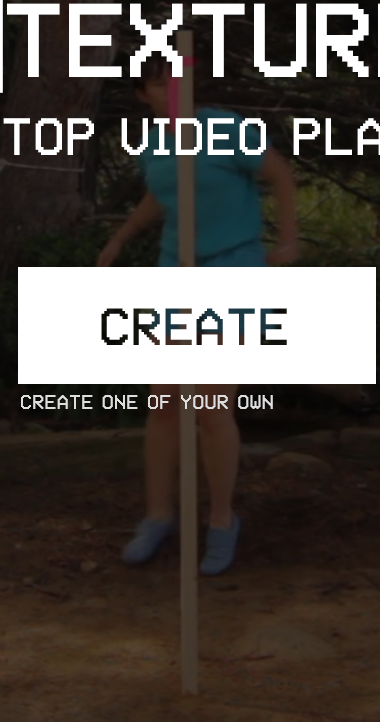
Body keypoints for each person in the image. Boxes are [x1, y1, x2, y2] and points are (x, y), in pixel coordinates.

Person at [96, 54, 299, 576]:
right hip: (175, 271)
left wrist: (288, 241)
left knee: (210, 403)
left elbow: (279, 174)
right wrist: (121, 237)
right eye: (159, 82)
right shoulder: (153, 145)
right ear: (143, 94)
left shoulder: (225, 128)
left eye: (178, 79)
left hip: (232, 267)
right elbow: (160, 196)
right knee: (163, 399)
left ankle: (222, 520)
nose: (172, 88)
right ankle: (158, 515)